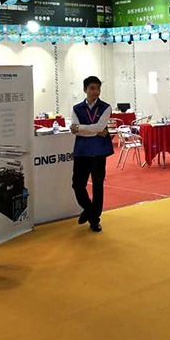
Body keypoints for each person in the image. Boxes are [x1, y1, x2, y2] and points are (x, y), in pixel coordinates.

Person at [70, 76, 113, 233]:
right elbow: (76, 129)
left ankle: (94, 220)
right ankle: (89, 210)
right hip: (81, 151)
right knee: (77, 184)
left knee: (98, 185)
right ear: (85, 90)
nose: (96, 91)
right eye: (92, 88)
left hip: (99, 151)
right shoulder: (76, 108)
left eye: (98, 88)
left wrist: (82, 128)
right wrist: (95, 130)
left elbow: (99, 127)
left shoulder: (106, 107)